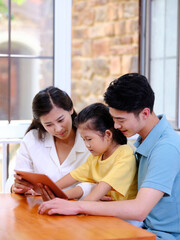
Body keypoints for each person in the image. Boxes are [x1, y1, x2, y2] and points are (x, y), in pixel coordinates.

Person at [38, 73, 180, 240]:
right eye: (113, 119)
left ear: (145, 113)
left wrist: (78, 207)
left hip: (160, 235)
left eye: (121, 120)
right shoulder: (143, 142)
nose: (116, 126)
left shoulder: (166, 148)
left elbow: (139, 210)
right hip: (138, 229)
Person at [6, 86, 94, 198]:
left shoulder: (90, 138)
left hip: (81, 210)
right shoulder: (32, 139)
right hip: (40, 210)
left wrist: (62, 196)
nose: (58, 129)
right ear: (40, 122)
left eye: (61, 120)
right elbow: (14, 180)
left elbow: (98, 182)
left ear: (70, 109)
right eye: (48, 125)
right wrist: (15, 187)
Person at [39, 103, 137, 202]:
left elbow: (106, 184)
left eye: (89, 139)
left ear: (107, 135)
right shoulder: (95, 158)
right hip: (103, 211)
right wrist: (48, 189)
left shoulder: (125, 154)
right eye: (83, 140)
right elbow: (74, 175)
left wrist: (79, 206)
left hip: (122, 215)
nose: (87, 145)